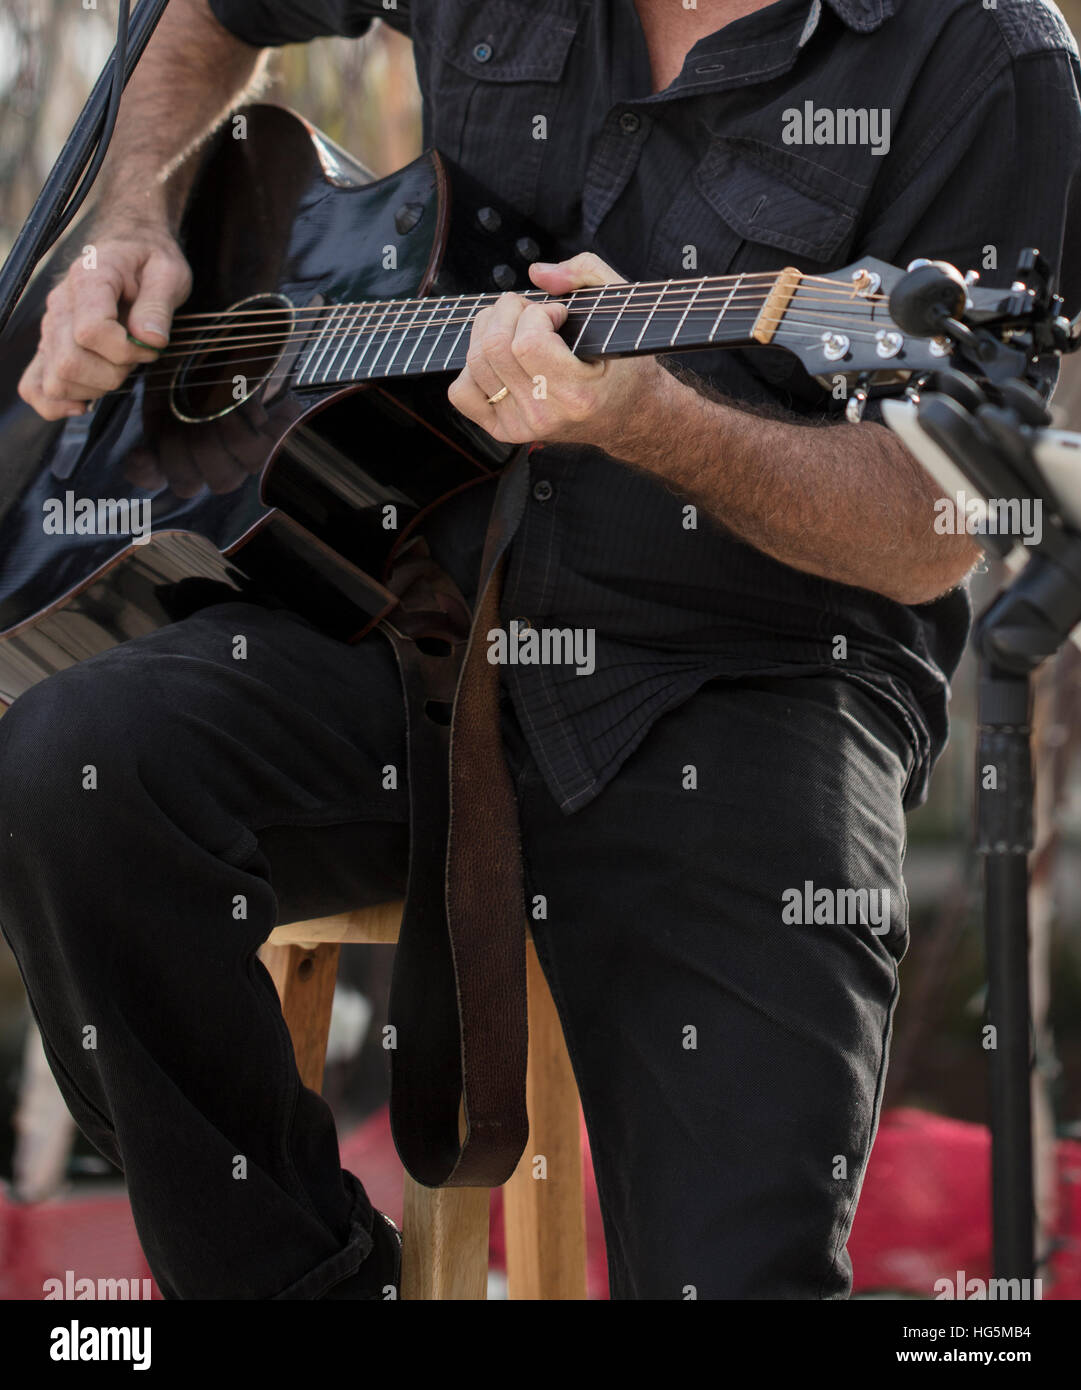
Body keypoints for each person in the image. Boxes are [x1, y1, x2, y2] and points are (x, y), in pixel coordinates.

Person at [5, 0, 1081, 1299]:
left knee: (738, 1275)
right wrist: (137, 219)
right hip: (405, 620)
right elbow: (204, 14)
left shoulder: (982, 60)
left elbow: (927, 525)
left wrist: (653, 425)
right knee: (79, 761)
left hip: (751, 676)